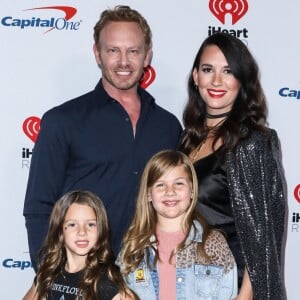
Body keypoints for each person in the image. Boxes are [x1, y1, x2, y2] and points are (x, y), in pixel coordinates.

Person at [23, 5, 182, 271]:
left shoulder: (168, 126)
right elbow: (39, 208)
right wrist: (53, 277)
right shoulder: (62, 121)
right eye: (113, 50)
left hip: (149, 277)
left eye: (133, 51)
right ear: (97, 54)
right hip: (82, 279)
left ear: (147, 56)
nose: (123, 61)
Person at [179, 32, 287, 299]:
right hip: (188, 282)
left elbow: (263, 231)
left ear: (242, 80)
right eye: (208, 70)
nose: (216, 81)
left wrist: (245, 294)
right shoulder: (185, 140)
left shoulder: (252, 142)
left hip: (230, 285)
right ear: (196, 77)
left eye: (228, 71)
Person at [118, 150, 238, 300]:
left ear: (192, 191)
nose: (170, 191)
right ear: (148, 194)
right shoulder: (134, 246)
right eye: (160, 185)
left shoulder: (213, 244)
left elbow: (230, 295)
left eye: (179, 183)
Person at [23, 190, 136, 300]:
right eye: (72, 224)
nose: (82, 232)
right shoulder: (48, 274)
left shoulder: (104, 283)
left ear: (101, 229)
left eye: (91, 224)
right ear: (60, 230)